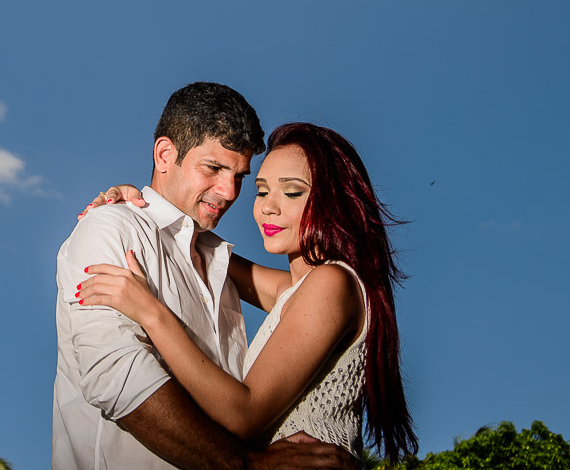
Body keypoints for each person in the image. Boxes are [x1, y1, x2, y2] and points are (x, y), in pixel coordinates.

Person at [53, 83, 357, 470]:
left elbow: (238, 408)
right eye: (213, 168)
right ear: (166, 154)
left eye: (241, 177)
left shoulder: (220, 263)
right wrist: (245, 465)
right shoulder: (112, 227)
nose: (229, 192)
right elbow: (118, 380)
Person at [77, 122, 418, 463]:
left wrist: (151, 313)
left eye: (293, 192)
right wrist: (146, 205)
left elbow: (242, 414)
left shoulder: (331, 282)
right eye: (261, 190)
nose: (268, 207)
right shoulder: (298, 290)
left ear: (335, 199)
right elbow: (197, 247)